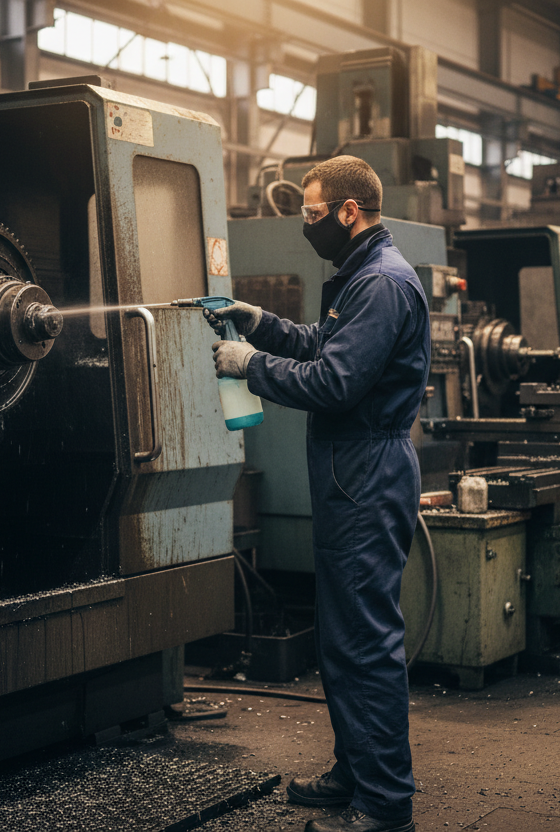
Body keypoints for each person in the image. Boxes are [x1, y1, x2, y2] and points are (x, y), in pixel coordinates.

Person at [207, 155, 430, 832]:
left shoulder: (384, 285)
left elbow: (335, 382)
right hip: (349, 472)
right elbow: (321, 343)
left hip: (366, 472)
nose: (306, 224)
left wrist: (252, 367)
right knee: (342, 638)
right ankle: (355, 770)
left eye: (310, 213)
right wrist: (261, 324)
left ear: (348, 212)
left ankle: (386, 806)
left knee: (365, 643)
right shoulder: (360, 277)